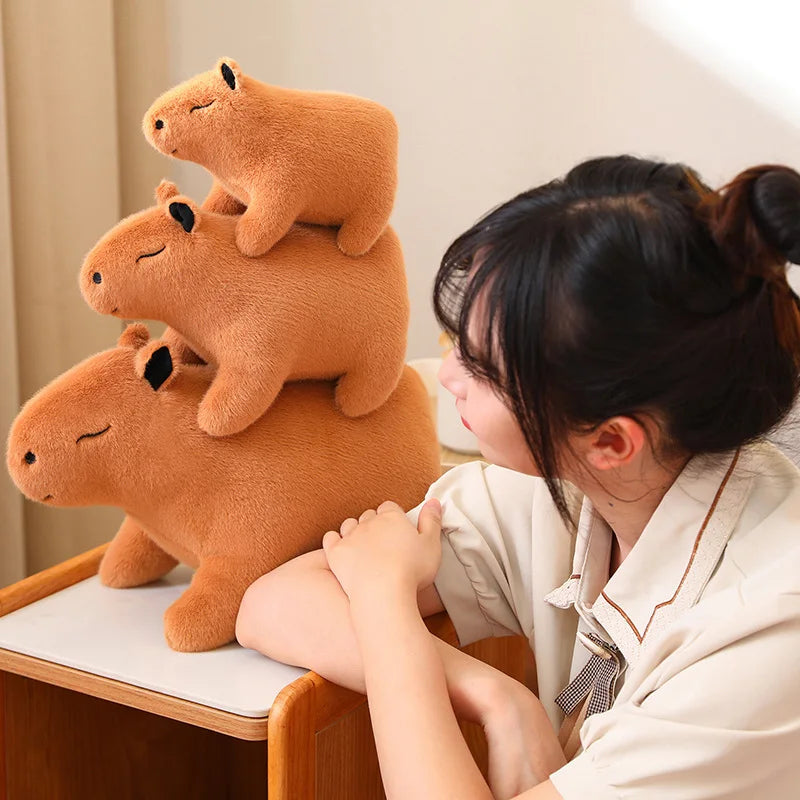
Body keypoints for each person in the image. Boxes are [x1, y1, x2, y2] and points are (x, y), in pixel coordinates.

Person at [235, 155, 800, 799]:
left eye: (481, 370)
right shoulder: (574, 487)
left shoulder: (766, 632)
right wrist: (494, 695)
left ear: (612, 439)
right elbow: (271, 606)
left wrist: (385, 597)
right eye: (456, 346)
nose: (447, 379)